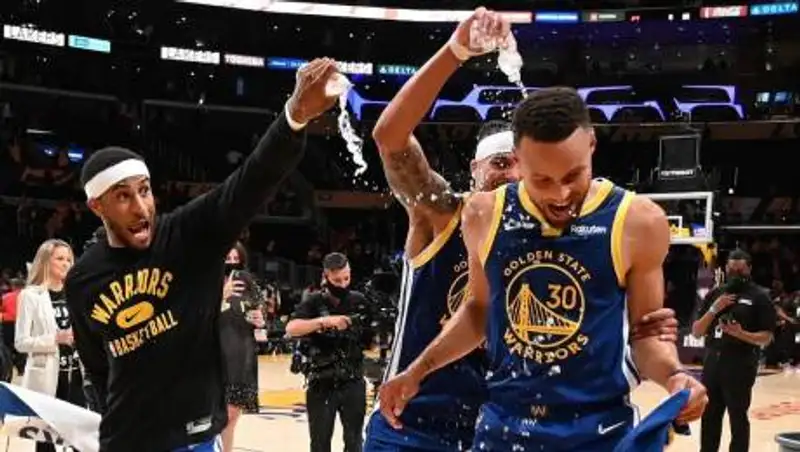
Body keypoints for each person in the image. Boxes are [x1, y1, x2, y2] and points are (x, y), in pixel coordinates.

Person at [368, 8, 683, 452]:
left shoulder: (632, 221)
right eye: (536, 177)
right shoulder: (458, 213)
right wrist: (456, 51)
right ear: (476, 167)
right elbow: (391, 138)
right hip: (425, 425)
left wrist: (673, 373)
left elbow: (645, 337)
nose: (558, 193)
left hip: (526, 423)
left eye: (569, 175)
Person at [64, 57, 340, 452]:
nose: (141, 208)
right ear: (97, 206)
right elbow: (96, 366)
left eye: (144, 191)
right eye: (122, 196)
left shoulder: (187, 235)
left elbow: (251, 181)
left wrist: (294, 117)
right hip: (126, 440)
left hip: (193, 436)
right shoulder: (83, 278)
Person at [286, 252, 374, 452]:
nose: (343, 284)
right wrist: (324, 322)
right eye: (337, 280)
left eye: (346, 278)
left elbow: (372, 334)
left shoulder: (359, 300)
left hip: (353, 380)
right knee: (320, 443)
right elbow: (291, 328)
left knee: (355, 442)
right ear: (325, 277)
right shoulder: (313, 302)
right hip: (321, 382)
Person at [692, 249, 776, 452]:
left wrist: (741, 334)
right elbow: (696, 331)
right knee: (709, 416)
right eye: (732, 270)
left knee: (737, 417)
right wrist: (714, 309)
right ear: (726, 269)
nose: (735, 275)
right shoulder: (715, 294)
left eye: (740, 270)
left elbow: (767, 337)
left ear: (749, 269)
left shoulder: (760, 297)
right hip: (713, 362)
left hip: (741, 363)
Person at [15, 239, 85, 452]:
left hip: (77, 376)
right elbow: (21, 342)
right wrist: (54, 339)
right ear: (46, 261)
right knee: (46, 443)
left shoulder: (76, 293)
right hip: (48, 378)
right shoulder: (30, 295)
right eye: (60, 259)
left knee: (79, 440)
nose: (66, 264)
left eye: (69, 259)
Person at [219, 242, 265, 452]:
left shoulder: (248, 282)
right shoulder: (205, 283)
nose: (232, 263)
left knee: (232, 416)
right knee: (213, 418)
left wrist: (260, 321)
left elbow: (261, 314)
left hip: (241, 353)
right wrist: (221, 295)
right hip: (213, 354)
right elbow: (195, 317)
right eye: (228, 259)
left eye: (236, 259)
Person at [2, 277, 25, 374]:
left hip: (7, 324)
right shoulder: (28, 297)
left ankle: (8, 368)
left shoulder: (5, 297)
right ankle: (21, 369)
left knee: (7, 347)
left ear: (13, 286)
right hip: (23, 323)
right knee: (22, 346)